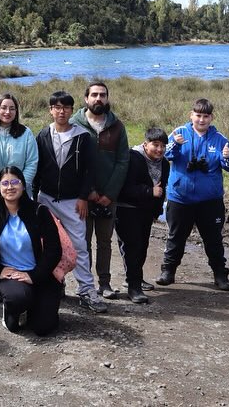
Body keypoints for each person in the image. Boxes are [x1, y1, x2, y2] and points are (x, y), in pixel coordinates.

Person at [33, 91, 108, 313]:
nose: (61, 111)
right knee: (46, 244)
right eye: (56, 107)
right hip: (45, 198)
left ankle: (86, 290)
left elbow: (90, 171)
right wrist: (34, 199)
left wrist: (84, 197)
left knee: (79, 246)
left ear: (71, 110)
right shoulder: (43, 135)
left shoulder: (83, 136)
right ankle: (54, 283)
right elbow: (37, 169)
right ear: (50, 110)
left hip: (73, 201)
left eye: (65, 107)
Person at [0, 166, 63, 335]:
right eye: (5, 183)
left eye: (15, 182)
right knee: (17, 305)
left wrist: (34, 275)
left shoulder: (39, 211)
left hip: (40, 274)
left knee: (43, 328)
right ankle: (13, 309)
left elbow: (54, 249)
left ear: (23, 185)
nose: (10, 187)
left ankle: (36, 308)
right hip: (11, 276)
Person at [157, 98, 229, 291]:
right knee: (175, 237)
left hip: (210, 200)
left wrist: (226, 157)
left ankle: (220, 275)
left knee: (213, 239)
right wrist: (175, 145)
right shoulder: (178, 133)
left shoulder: (220, 139)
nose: (201, 120)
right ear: (191, 115)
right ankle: (168, 271)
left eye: (206, 116)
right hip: (180, 197)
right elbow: (166, 155)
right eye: (198, 115)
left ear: (211, 117)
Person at [71, 81, 129, 298]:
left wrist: (109, 194)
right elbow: (72, 163)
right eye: (94, 95)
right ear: (86, 98)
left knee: (105, 241)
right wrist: (88, 192)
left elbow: (123, 161)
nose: (98, 99)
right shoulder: (74, 124)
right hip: (83, 197)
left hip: (108, 197)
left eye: (102, 95)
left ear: (107, 98)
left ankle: (104, 283)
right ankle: (84, 284)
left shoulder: (117, 126)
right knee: (82, 241)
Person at [114, 128, 170, 303]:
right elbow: (124, 187)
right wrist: (148, 191)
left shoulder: (164, 163)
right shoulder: (132, 158)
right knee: (132, 247)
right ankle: (134, 287)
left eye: (163, 146)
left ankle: (135, 278)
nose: (159, 149)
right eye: (155, 145)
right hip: (127, 208)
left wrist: (157, 210)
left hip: (146, 210)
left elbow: (162, 189)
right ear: (145, 144)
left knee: (142, 246)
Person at [0, 93, 38, 197]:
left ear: (16, 112)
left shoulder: (26, 133)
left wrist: (19, 186)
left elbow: (32, 163)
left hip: (20, 192)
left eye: (12, 109)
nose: (8, 112)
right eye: (3, 108)